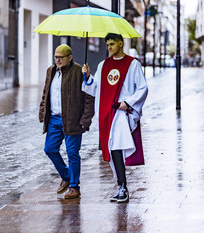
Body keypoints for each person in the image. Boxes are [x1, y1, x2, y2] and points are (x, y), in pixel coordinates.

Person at [82, 33, 148, 203]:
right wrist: (87, 76)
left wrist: (128, 102)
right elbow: (95, 88)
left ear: (121, 43)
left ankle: (123, 187)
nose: (109, 47)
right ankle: (121, 186)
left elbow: (142, 88)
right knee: (112, 150)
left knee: (117, 147)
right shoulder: (103, 65)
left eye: (112, 44)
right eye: (107, 44)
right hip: (106, 113)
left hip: (121, 112)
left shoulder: (133, 64)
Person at [39, 44, 95, 199]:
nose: (57, 60)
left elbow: (90, 97)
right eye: (55, 57)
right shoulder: (51, 71)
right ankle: (66, 176)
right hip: (55, 119)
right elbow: (46, 93)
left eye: (60, 57)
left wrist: (85, 119)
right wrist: (42, 112)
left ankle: (74, 187)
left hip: (73, 119)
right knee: (49, 149)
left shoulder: (79, 71)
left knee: (72, 153)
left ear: (69, 58)